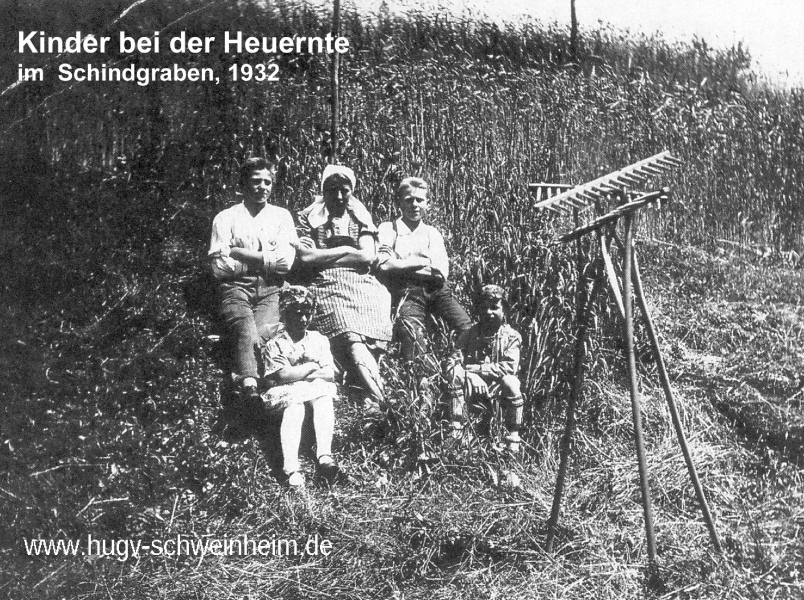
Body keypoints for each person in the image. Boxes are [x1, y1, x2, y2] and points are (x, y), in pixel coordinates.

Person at [294, 165, 392, 408]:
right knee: (350, 334)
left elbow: (367, 256)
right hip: (325, 281)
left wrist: (323, 254)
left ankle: (367, 386)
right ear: (323, 190)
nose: (338, 196)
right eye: (331, 190)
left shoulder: (360, 216)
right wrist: (348, 250)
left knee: (368, 326)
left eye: (344, 190)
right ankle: (381, 398)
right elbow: (306, 258)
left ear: (352, 191)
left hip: (361, 281)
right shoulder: (309, 218)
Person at [208, 157, 298, 404]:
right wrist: (266, 259)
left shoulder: (281, 217)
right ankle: (248, 387)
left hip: (270, 288)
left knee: (264, 333)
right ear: (243, 184)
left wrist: (239, 253)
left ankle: (256, 391)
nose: (262, 187)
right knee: (244, 328)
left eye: (267, 182)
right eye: (256, 181)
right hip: (235, 286)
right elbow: (219, 267)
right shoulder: (225, 218)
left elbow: (285, 263)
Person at [377, 177, 471, 361]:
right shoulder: (388, 229)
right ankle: (424, 373)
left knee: (467, 328)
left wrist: (400, 263)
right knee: (411, 333)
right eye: (408, 200)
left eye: (419, 200)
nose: (414, 205)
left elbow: (440, 273)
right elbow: (384, 265)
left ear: (427, 203)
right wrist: (422, 262)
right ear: (399, 202)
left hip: (437, 290)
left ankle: (453, 364)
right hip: (406, 292)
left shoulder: (432, 233)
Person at [261, 286, 340, 488]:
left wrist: (298, 372)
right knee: (295, 407)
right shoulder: (275, 344)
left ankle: (325, 456)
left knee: (324, 396)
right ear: (286, 315)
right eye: (297, 314)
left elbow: (329, 374)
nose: (303, 319)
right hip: (284, 393)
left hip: (310, 389)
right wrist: (312, 366)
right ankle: (291, 470)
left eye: (307, 313)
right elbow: (283, 376)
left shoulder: (319, 340)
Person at [444, 284, 525, 451]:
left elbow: (509, 367)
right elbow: (451, 363)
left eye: (494, 307)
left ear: (504, 310)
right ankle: (456, 435)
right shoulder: (468, 334)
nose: (489, 312)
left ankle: (512, 440)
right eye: (484, 308)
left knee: (511, 382)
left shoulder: (511, 337)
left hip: (498, 389)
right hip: (471, 389)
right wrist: (468, 375)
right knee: (456, 376)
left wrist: (474, 369)